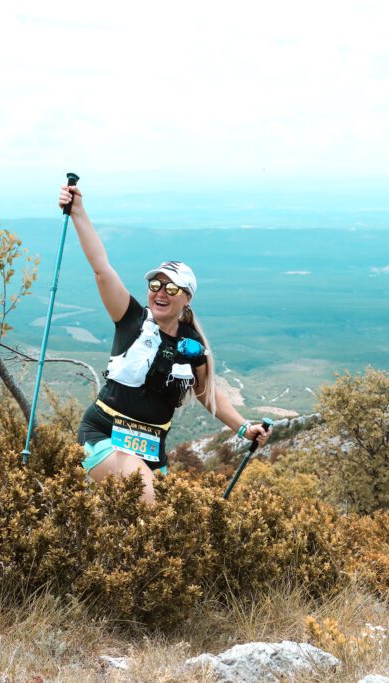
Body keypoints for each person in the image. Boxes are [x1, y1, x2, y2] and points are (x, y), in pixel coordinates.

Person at [59, 184, 271, 504]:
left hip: (152, 451)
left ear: (186, 299)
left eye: (171, 289)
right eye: (155, 284)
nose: (160, 292)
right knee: (147, 505)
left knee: (162, 528)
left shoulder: (192, 345)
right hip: (104, 436)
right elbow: (102, 269)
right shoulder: (130, 319)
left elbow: (206, 391)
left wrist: (244, 428)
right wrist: (78, 213)